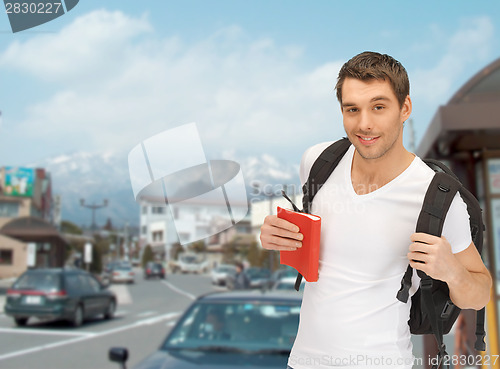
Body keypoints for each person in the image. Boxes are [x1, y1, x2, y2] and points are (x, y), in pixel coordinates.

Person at [259, 51, 491, 369]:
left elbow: (480, 293)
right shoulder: (317, 161)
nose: (364, 124)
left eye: (378, 107)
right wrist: (276, 235)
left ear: (404, 108)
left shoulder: (436, 196)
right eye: (352, 109)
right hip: (302, 362)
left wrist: (450, 270)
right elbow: (317, 249)